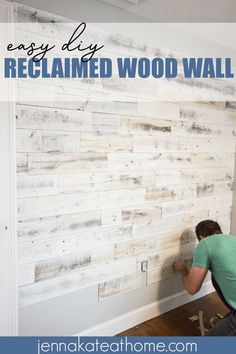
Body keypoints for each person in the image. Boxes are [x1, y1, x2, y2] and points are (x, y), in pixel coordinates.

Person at [174, 219, 236, 336]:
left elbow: (192, 289)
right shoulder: (233, 239)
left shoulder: (205, 244)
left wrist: (182, 269)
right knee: (216, 277)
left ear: (201, 237)